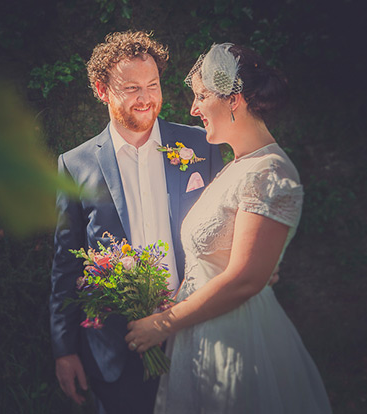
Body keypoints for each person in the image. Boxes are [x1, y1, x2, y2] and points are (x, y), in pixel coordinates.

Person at [125, 43, 332, 413]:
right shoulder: (235, 167)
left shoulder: (270, 171)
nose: (193, 108)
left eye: (201, 96)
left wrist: (163, 323)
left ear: (233, 99)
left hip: (237, 340)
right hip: (199, 333)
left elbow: (244, 280)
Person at [49, 31, 224, 414]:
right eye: (131, 88)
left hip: (195, 333)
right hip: (116, 347)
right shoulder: (74, 165)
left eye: (153, 85)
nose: (146, 98)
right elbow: (66, 264)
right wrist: (64, 350)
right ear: (101, 90)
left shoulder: (200, 147)